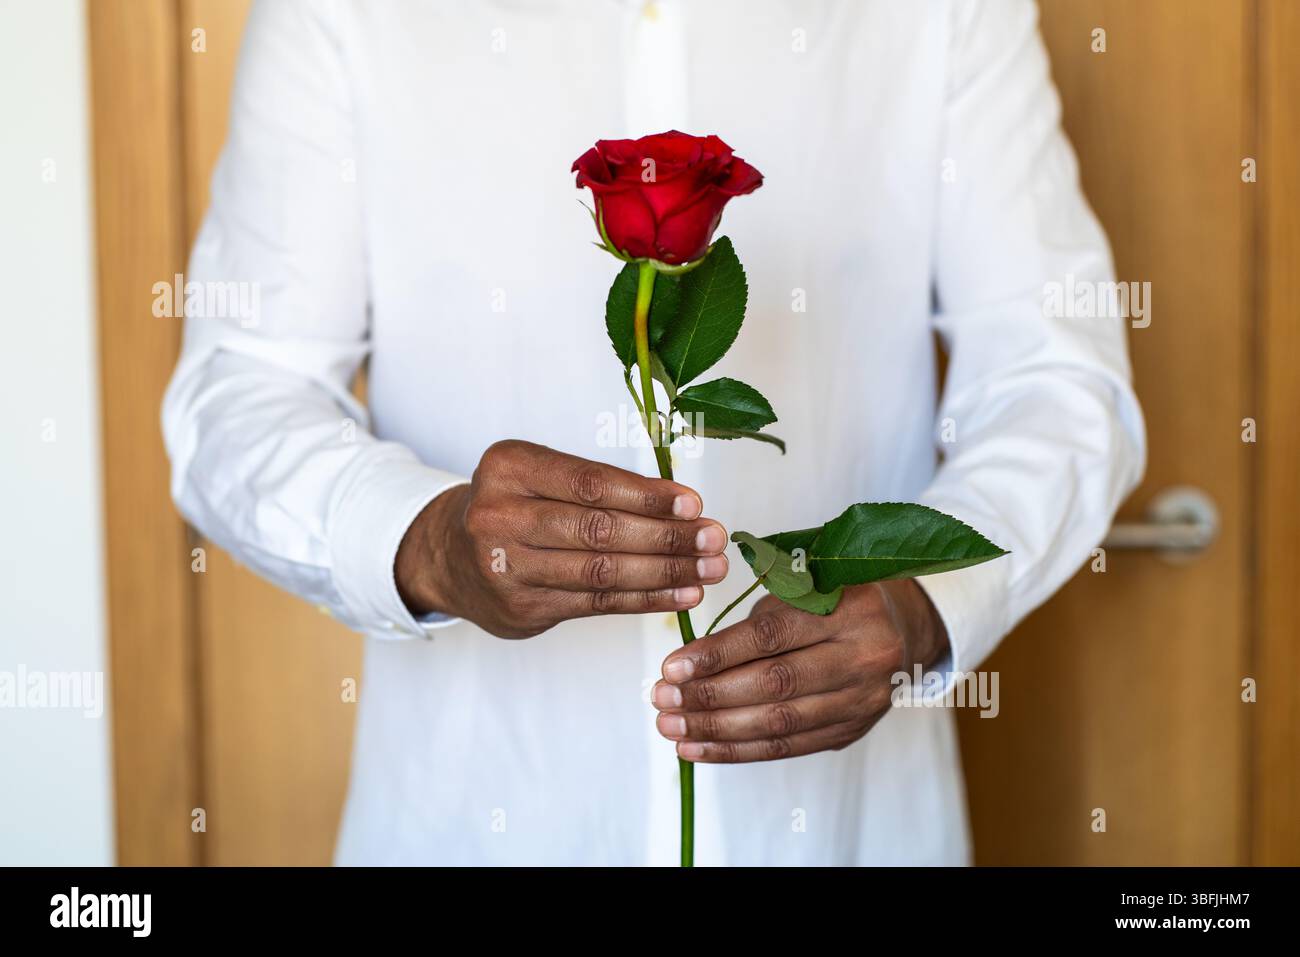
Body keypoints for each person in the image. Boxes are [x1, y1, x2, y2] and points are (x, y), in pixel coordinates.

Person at [163, 0, 1145, 865]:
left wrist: (931, 600)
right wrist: (423, 541)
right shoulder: (341, 12)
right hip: (466, 822)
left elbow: (1057, 379)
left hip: (850, 831)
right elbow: (238, 389)